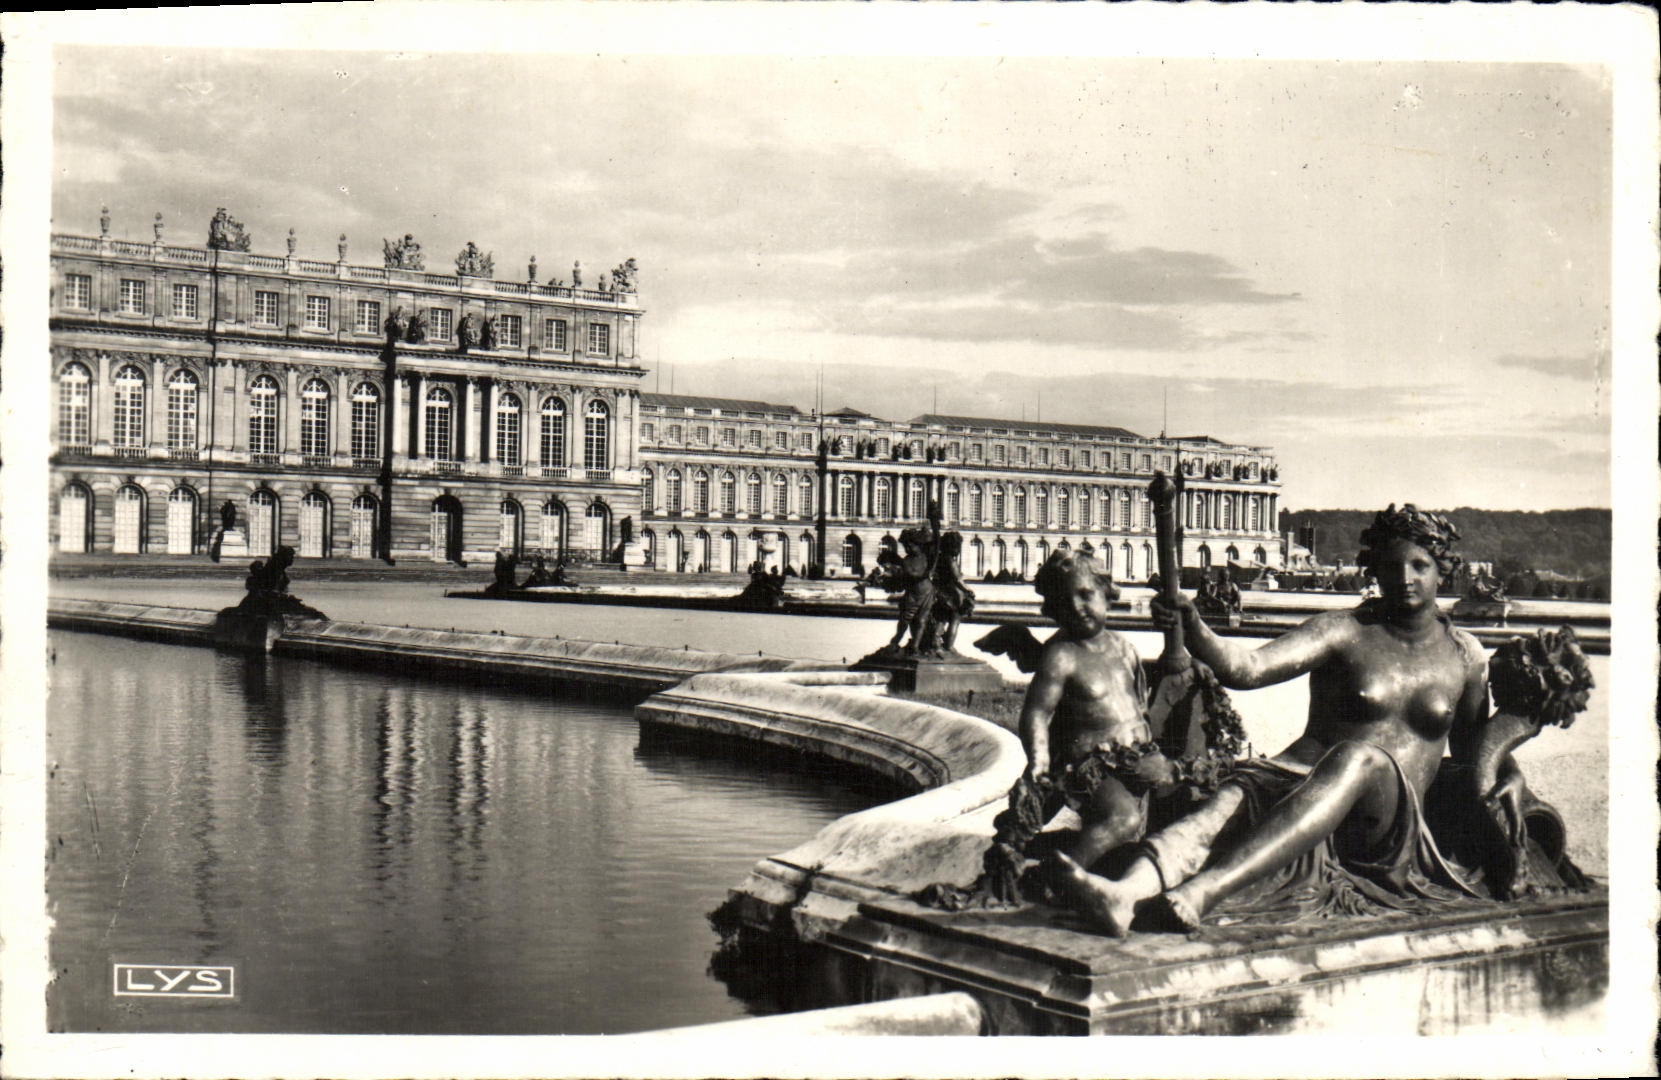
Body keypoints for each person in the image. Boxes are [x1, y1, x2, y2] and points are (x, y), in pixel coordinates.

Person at [1053, 504, 1494, 936]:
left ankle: (1205, 891)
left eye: (1420, 566)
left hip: (1381, 827)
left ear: (1442, 571)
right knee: (1217, 813)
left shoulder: (1465, 655)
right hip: (1294, 780)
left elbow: (1474, 753)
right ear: (1374, 569)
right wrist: (1195, 627)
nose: (1404, 577)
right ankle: (1124, 895)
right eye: (1392, 566)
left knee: (1360, 758)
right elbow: (1249, 669)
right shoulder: (1342, 630)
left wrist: (1504, 770)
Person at [1020, 551, 1173, 872]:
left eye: (1086, 594)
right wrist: (1039, 760)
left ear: (1106, 593)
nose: (1077, 606)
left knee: (1183, 796)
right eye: (1064, 601)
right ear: (1053, 608)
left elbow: (1139, 705)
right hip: (1092, 766)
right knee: (1123, 819)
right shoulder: (1061, 656)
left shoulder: (1124, 648)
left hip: (1137, 757)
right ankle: (1057, 878)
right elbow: (1037, 713)